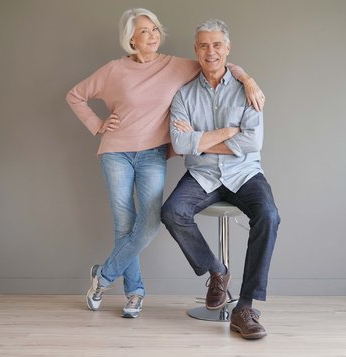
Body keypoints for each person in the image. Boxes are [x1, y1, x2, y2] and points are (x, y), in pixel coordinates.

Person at [66, 8, 265, 319]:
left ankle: (102, 276)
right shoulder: (113, 70)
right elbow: (76, 96)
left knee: (148, 222)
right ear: (130, 38)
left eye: (156, 29)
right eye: (145, 30)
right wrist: (98, 124)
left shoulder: (174, 66)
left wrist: (248, 79)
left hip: (153, 154)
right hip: (115, 151)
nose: (153, 35)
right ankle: (135, 293)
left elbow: (216, 62)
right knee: (123, 224)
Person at [161, 19, 280, 339]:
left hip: (245, 172)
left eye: (217, 45)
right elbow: (181, 144)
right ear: (195, 50)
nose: (210, 51)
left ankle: (245, 307)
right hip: (203, 173)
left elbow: (252, 143)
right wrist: (228, 134)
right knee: (172, 212)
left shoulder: (247, 90)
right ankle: (217, 271)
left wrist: (202, 139)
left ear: (227, 49)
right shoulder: (183, 95)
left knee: (269, 215)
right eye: (203, 45)